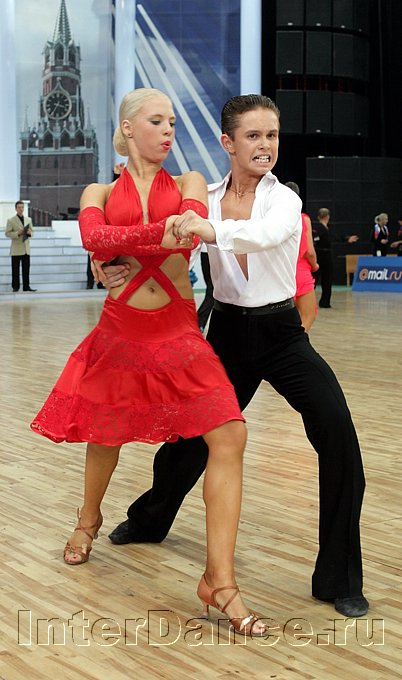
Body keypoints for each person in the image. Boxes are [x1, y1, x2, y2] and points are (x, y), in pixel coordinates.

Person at [103, 94, 368, 619]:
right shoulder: (202, 197)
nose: (265, 145)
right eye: (253, 135)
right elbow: (158, 240)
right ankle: (150, 518)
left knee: (338, 435)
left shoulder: (283, 201)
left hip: (282, 336)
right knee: (188, 442)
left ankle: (338, 578)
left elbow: (264, 237)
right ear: (228, 142)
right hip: (225, 332)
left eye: (272, 135)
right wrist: (109, 261)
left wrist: (209, 229)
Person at [30, 87, 265, 637]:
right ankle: (88, 521)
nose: (168, 131)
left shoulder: (188, 183)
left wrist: (121, 246)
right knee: (105, 432)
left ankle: (219, 581)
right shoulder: (96, 189)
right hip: (121, 329)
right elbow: (94, 235)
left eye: (173, 123)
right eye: (157, 121)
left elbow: (184, 235)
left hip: (178, 329)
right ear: (128, 128)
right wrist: (131, 240)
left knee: (229, 433)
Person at [285, 182, 318, 331]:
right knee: (307, 316)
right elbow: (309, 251)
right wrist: (314, 265)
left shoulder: (273, 219)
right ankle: (295, 342)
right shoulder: (303, 218)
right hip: (300, 271)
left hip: (282, 272)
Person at [312, 208, 358, 308]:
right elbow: (315, 239)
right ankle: (311, 301)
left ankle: (325, 302)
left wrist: (346, 239)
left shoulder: (328, 228)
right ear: (327, 216)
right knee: (315, 279)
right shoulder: (317, 228)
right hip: (319, 255)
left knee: (327, 279)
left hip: (326, 255)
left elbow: (335, 237)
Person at [5, 201, 37, 292]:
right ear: (16, 208)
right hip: (16, 249)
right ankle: (15, 287)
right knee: (15, 269)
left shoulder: (28, 219)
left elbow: (32, 232)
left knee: (26, 269)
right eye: (19, 207)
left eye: (22, 207)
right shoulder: (11, 220)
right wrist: (17, 233)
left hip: (26, 249)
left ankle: (26, 286)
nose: (21, 209)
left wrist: (30, 233)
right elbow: (7, 233)